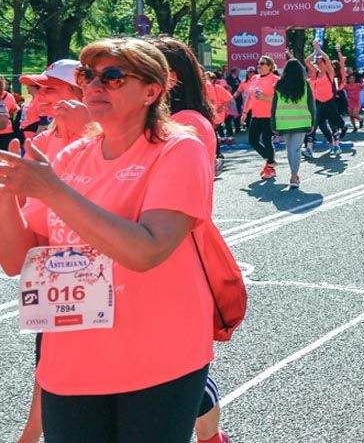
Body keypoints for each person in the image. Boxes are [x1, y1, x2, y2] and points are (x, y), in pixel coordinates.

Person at [0, 37, 215, 443]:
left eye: (113, 77)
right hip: (70, 360)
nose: (95, 86)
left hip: (159, 356)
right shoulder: (72, 155)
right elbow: (17, 261)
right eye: (88, 76)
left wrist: (51, 191)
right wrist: (5, 195)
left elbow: (147, 249)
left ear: (152, 91)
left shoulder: (178, 149)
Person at [148, 37, 230, 443]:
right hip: (149, 255)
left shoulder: (189, 125)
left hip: (180, 258)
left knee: (183, 372)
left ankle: (213, 438)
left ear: (170, 77)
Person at [14, 61, 87, 443]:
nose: (38, 97)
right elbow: (28, 225)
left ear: (79, 95)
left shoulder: (105, 136)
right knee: (52, 358)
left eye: (49, 89)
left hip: (112, 270)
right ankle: (32, 432)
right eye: (36, 90)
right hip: (55, 270)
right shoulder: (40, 142)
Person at [272, 57, 315, 189]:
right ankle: (294, 176)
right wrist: (313, 121)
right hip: (301, 122)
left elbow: (274, 106)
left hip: (284, 123)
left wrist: (273, 124)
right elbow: (311, 105)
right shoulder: (305, 85)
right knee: (295, 150)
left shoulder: (279, 85)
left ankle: (294, 175)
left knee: (290, 150)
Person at [244, 56, 278, 180]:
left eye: (262, 64)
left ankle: (270, 168)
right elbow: (249, 97)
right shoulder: (254, 78)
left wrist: (265, 98)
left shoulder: (275, 79)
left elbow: (278, 99)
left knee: (266, 139)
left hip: (269, 116)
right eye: (258, 64)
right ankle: (270, 161)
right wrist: (244, 112)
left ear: (269, 66)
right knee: (252, 141)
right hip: (256, 115)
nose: (259, 66)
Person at [305, 50, 343, 158]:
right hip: (318, 103)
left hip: (329, 102)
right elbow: (307, 61)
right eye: (317, 63)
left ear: (325, 63)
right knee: (313, 124)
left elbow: (328, 59)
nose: (318, 64)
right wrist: (314, 52)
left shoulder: (329, 72)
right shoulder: (315, 73)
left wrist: (319, 50)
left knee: (333, 124)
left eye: (320, 62)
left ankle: (336, 146)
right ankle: (309, 148)